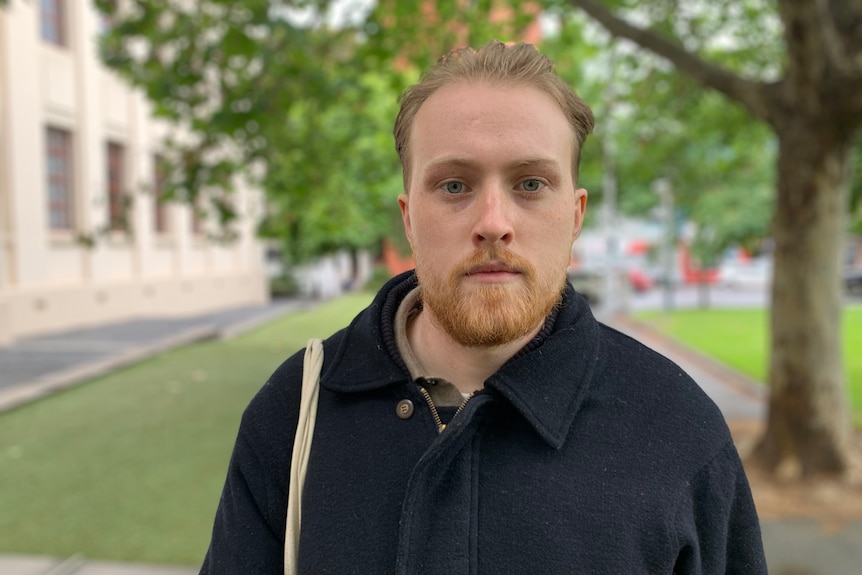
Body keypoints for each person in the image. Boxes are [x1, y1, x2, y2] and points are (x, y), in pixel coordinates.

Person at [200, 41, 766, 574]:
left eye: (530, 183)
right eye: (453, 186)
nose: (493, 221)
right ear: (408, 218)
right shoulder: (295, 410)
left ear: (574, 215)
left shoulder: (678, 429)